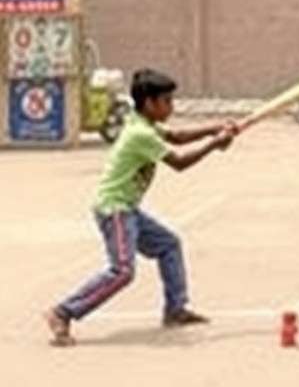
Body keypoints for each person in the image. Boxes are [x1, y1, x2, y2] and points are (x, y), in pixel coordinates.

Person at [45, 69, 237, 346]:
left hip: (127, 208)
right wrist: (214, 144)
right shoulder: (139, 134)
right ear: (149, 103)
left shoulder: (145, 123)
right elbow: (179, 162)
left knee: (168, 244)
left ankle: (175, 309)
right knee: (122, 270)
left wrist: (214, 128)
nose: (171, 107)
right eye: (167, 102)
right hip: (115, 209)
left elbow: (178, 136)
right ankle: (62, 312)